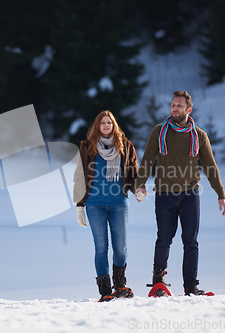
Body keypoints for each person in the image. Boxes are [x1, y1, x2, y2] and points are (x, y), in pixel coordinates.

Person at [135, 91, 225, 296]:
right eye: (172, 105)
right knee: (164, 239)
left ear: (188, 109)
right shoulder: (159, 132)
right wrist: (140, 184)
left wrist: (220, 193)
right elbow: (147, 160)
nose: (174, 109)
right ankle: (158, 283)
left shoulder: (199, 136)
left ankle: (191, 286)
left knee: (191, 241)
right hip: (164, 194)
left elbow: (210, 166)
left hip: (190, 195)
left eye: (179, 105)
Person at [73, 110, 141, 302]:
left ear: (114, 125)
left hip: (119, 203)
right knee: (101, 247)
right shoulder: (87, 147)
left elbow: (133, 173)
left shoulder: (125, 146)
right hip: (95, 204)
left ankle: (120, 285)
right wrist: (80, 206)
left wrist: (138, 190)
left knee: (120, 248)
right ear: (97, 125)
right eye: (102, 122)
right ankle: (105, 292)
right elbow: (80, 176)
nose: (105, 125)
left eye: (109, 123)